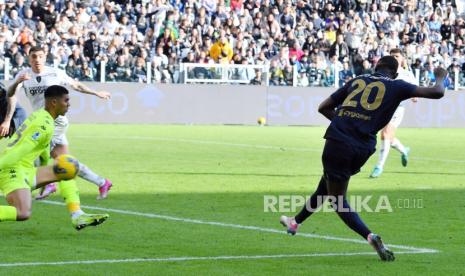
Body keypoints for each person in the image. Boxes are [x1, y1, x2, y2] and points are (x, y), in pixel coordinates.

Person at [280, 56, 447, 261]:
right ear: (394, 73)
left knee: (337, 199)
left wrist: (344, 122)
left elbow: (323, 107)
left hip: (338, 142)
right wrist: (440, 76)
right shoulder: (397, 85)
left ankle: (370, 236)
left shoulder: (356, 81)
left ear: (375, 67)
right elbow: (437, 92)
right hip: (363, 148)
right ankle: (295, 222)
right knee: (327, 184)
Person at [7, 46, 113, 200]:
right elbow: (10, 94)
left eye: (40, 56)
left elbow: (75, 85)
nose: (37, 60)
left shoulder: (55, 72)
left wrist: (96, 93)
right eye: (34, 56)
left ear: (45, 57)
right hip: (41, 120)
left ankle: (48, 183)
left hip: (56, 120)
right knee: (65, 161)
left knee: (34, 150)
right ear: (29, 58)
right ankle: (102, 182)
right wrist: (17, 82)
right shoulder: (24, 75)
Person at [0, 85, 109, 230]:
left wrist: (44, 182)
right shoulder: (43, 124)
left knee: (68, 167)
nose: (69, 104)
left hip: (25, 169)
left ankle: (77, 215)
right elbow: (18, 152)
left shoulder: (45, 118)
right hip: (12, 171)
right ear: (54, 102)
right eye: (66, 101)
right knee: (22, 213)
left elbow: (44, 153)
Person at [370, 48, 419, 178]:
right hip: (383, 107)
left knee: (385, 134)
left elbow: (416, 91)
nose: (394, 58)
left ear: (402, 58)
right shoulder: (385, 73)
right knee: (388, 137)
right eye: (392, 56)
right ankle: (404, 150)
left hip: (397, 109)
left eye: (397, 56)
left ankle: (379, 166)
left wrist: (414, 96)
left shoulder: (407, 75)